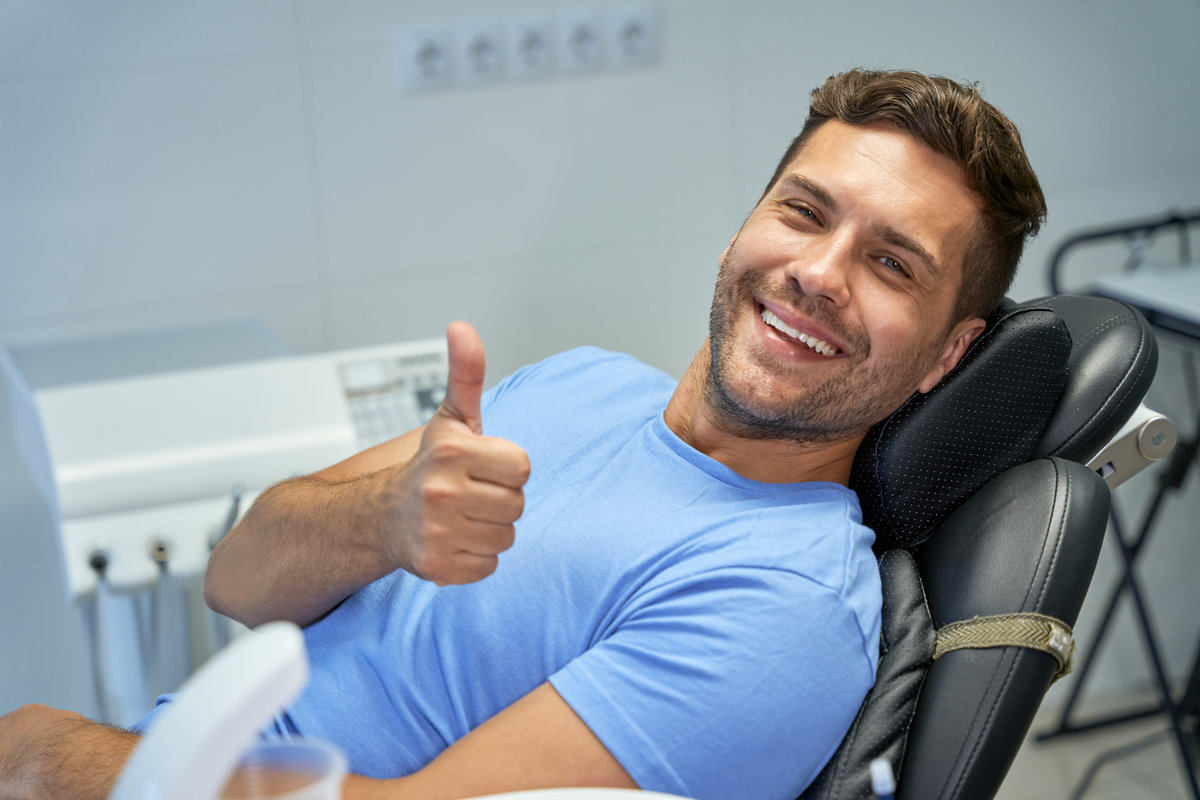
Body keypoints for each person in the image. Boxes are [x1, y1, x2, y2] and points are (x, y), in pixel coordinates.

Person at [0, 67, 1046, 800]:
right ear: (749, 223)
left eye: (892, 263)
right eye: (805, 211)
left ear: (948, 353)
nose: (819, 273)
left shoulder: (784, 605)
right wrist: (381, 516)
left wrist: (66, 765)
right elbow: (237, 577)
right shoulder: (580, 384)